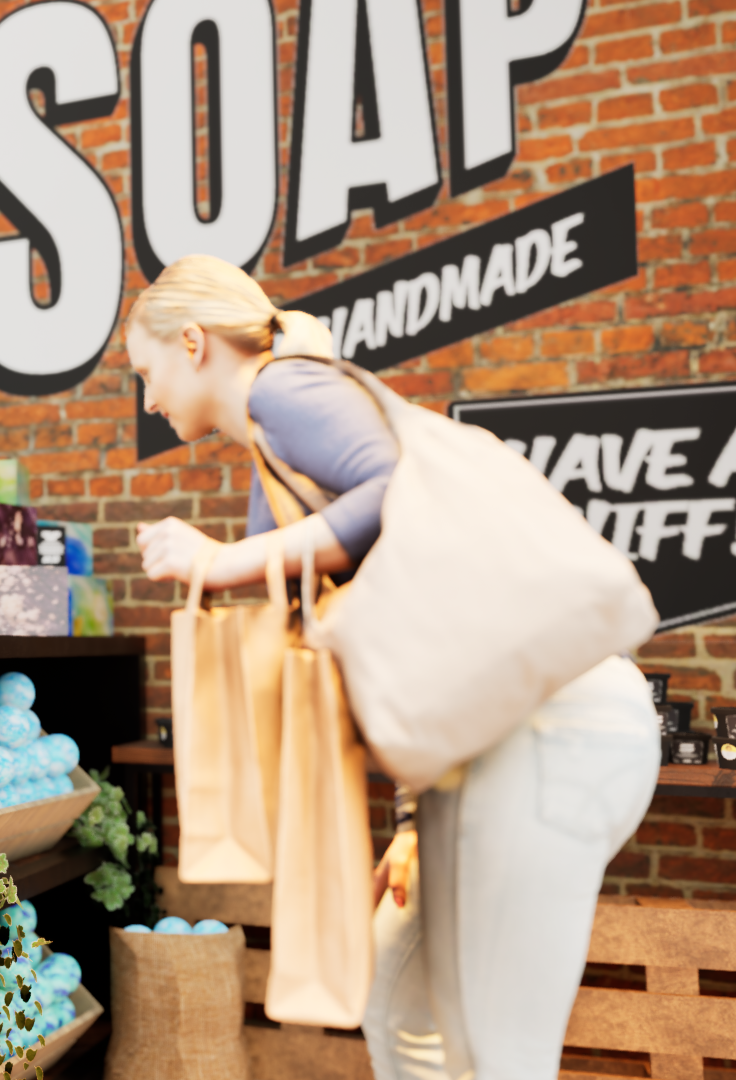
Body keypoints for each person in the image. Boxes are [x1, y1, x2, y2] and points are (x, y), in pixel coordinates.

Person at [130, 255, 658, 1080]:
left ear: (191, 342)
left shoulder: (282, 390)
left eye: (146, 371)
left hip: (546, 730)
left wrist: (223, 563)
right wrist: (414, 821)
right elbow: (417, 638)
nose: (149, 398)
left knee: (499, 1058)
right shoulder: (280, 454)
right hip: (493, 747)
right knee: (399, 1006)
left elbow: (397, 492)